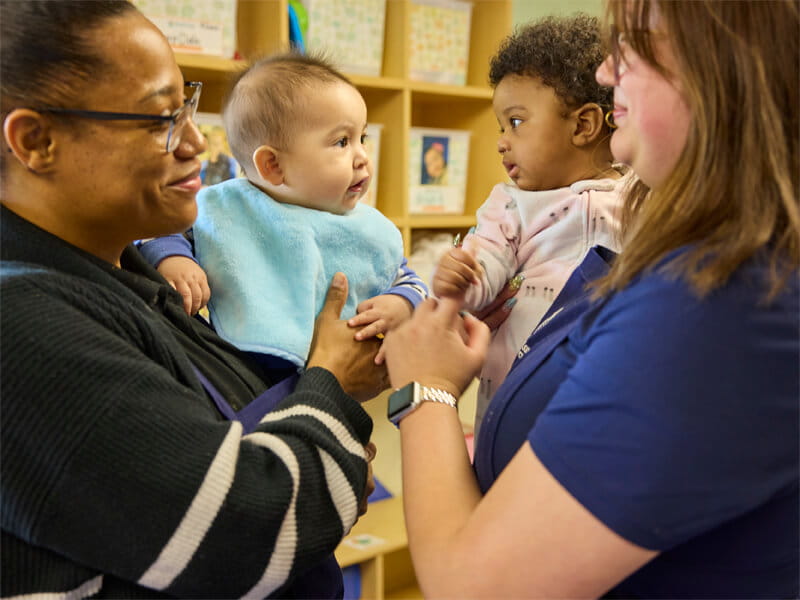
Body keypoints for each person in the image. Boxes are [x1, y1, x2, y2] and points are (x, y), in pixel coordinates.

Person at [382, 0, 799, 597]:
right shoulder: (697, 257)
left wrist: (425, 388)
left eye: (633, 45)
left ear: (723, 65)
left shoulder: (721, 301)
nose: (607, 73)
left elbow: (472, 587)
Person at [0, 2, 388, 597]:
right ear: (36, 140)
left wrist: (319, 467)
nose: (193, 142)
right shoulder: (23, 327)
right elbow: (247, 530)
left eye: (187, 106)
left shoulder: (123, 269)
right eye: (159, 119)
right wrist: (330, 383)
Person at [140, 52, 427, 370]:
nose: (362, 157)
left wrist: (401, 303)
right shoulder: (226, 210)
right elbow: (159, 229)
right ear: (273, 165)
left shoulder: (366, 228)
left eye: (363, 138)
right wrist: (173, 258)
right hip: (239, 371)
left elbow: (406, 279)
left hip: (339, 375)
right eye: (342, 142)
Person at [432, 14, 629, 437]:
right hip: (515, 391)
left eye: (517, 122)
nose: (502, 139)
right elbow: (485, 264)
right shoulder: (510, 204)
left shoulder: (638, 195)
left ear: (583, 125)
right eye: (501, 127)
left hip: (602, 388)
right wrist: (462, 278)